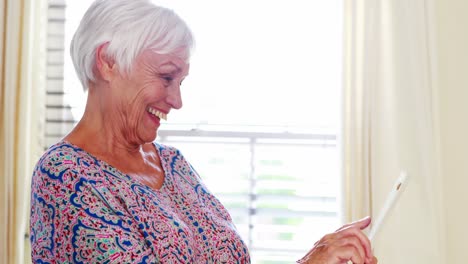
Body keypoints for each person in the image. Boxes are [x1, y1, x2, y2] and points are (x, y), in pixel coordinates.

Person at [29, 0, 378, 263]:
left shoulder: (173, 164)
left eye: (181, 82)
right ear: (108, 62)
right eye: (166, 77)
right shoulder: (66, 175)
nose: (177, 100)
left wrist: (318, 255)